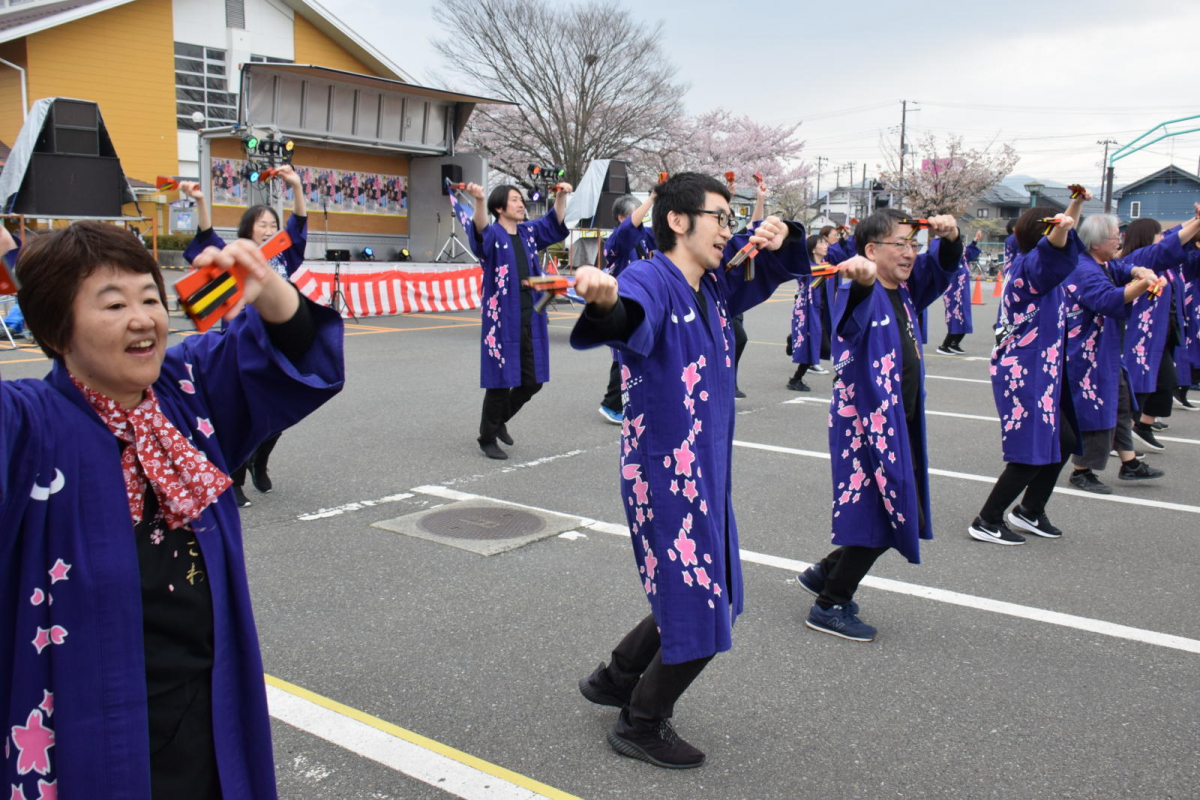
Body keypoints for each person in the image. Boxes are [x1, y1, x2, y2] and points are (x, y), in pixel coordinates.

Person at [1, 222, 344, 800]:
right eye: (114, 304)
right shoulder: (28, 424)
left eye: (150, 298)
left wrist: (268, 287)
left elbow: (295, 348)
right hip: (85, 730)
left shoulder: (187, 392)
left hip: (206, 708)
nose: (143, 319)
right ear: (58, 332)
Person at [570, 172, 806, 769]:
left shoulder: (712, 287)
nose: (730, 230)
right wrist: (605, 302)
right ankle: (642, 721)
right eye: (719, 217)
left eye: (731, 219)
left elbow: (780, 267)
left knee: (702, 584)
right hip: (666, 472)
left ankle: (617, 677)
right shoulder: (652, 276)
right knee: (705, 600)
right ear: (678, 221)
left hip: (705, 468)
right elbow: (627, 314)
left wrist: (783, 234)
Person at [797, 209, 962, 642]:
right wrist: (862, 279)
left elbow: (942, 267)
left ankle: (825, 573)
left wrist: (950, 237)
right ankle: (829, 603)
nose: (910, 253)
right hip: (868, 427)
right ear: (871, 251)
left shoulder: (905, 290)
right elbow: (849, 312)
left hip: (898, 421)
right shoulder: (863, 290)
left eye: (913, 244)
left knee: (889, 510)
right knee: (886, 514)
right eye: (900, 245)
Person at [180, 167, 309, 507]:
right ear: (248, 228)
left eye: (271, 224)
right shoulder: (235, 255)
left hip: (277, 343)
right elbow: (206, 236)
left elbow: (298, 224)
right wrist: (202, 200)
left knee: (278, 411)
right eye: (261, 223)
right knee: (240, 413)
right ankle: (234, 479)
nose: (268, 229)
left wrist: (295, 186)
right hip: (240, 345)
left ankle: (259, 461)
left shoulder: (283, 255)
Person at [968, 190, 1088, 546]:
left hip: (1042, 368)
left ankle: (1030, 510)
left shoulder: (1039, 265)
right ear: (1043, 236)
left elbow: (1059, 244)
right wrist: (1061, 227)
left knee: (1063, 440)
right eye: (1057, 229)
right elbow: (1053, 249)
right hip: (1024, 370)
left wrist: (1077, 204)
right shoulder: (1029, 268)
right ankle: (987, 519)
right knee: (1031, 449)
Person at [1063, 210, 1200, 493]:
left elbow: (1128, 267)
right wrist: (1143, 283)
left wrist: (1136, 272)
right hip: (1088, 355)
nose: (1119, 241)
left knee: (1121, 406)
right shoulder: (1084, 268)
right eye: (1115, 237)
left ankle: (1130, 462)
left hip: (1108, 351)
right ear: (1097, 243)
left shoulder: (1106, 264)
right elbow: (1108, 298)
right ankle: (1082, 470)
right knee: (1096, 411)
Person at [460, 180, 571, 459]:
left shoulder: (527, 232)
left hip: (531, 315)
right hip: (502, 318)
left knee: (532, 381)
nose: (521, 203)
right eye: (514, 200)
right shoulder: (494, 234)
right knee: (500, 381)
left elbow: (553, 220)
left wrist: (560, 196)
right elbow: (480, 229)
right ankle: (487, 438)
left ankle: (498, 423)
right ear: (499, 207)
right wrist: (479, 200)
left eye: (521, 199)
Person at [1120, 218, 1195, 451]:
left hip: (1162, 333)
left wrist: (1194, 222)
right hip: (1140, 335)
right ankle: (1121, 438)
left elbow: (1175, 240)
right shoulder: (1138, 258)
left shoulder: (1166, 266)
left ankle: (1141, 427)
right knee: (1139, 387)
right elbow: (1170, 242)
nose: (1163, 237)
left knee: (1165, 383)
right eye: (1158, 234)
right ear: (1145, 236)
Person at [598, 191, 656, 424]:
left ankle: (630, 400)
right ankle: (611, 405)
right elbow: (629, 232)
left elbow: (665, 232)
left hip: (639, 301)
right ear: (622, 218)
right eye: (636, 214)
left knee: (638, 350)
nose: (642, 219)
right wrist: (651, 198)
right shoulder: (617, 241)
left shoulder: (642, 237)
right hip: (619, 302)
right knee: (624, 352)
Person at [787, 233, 827, 391]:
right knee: (812, 344)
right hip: (807, 311)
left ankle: (792, 341)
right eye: (822, 243)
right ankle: (796, 379)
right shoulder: (806, 267)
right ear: (813, 248)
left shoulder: (824, 265)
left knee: (819, 344)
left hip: (820, 310)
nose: (826, 246)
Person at [937, 229, 983, 355]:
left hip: (963, 295)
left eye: (963, 245)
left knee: (965, 319)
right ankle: (944, 345)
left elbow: (970, 251)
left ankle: (955, 343)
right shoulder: (951, 260)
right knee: (955, 319)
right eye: (961, 246)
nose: (963, 248)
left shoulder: (963, 259)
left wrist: (975, 240)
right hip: (953, 296)